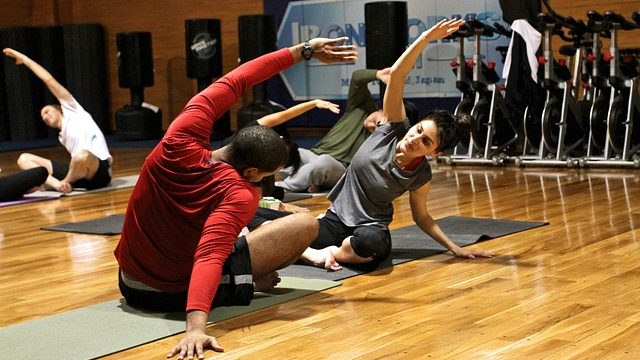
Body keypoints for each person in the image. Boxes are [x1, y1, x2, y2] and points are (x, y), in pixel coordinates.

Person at [113, 37, 357, 359]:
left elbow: (239, 78)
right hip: (166, 294)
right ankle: (242, 283)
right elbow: (210, 254)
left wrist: (303, 50)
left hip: (128, 280)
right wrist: (196, 328)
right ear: (253, 171)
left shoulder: (180, 134)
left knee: (260, 224)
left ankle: (242, 279)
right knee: (304, 224)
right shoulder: (238, 192)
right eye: (269, 175)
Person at [299, 19, 495, 272]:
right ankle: (317, 251)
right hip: (335, 219)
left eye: (426, 141)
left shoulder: (420, 175)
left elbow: (421, 216)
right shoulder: (392, 127)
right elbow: (397, 75)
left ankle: (329, 253)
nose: (414, 139)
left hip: (370, 227)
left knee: (374, 245)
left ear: (434, 153)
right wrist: (425, 38)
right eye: (418, 130)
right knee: (284, 235)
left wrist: (454, 247)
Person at [2, 48, 112, 194]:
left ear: (59, 108)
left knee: (81, 155)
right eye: (43, 117)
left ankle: (65, 182)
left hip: (98, 171)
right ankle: (58, 185)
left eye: (47, 111)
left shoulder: (73, 109)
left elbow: (48, 79)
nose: (45, 117)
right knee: (24, 159)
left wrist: (24, 59)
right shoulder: (62, 136)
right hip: (77, 171)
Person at [276, 67, 391, 193]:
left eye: (379, 129)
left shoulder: (382, 139)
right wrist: (378, 74)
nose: (373, 127)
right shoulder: (359, 108)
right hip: (314, 154)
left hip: (340, 168)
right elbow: (357, 78)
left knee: (323, 163)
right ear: (382, 110)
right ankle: (299, 179)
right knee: (290, 151)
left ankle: (280, 188)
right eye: (378, 123)